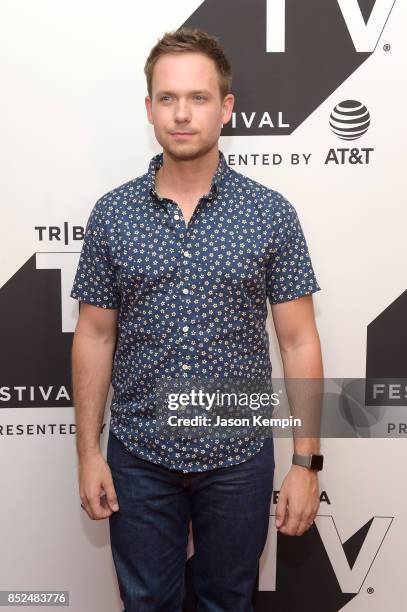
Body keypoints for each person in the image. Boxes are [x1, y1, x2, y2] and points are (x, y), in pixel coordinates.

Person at [70, 27, 324, 612]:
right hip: (138, 456)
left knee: (227, 602)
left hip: (238, 457)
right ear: (149, 108)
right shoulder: (112, 215)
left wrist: (306, 462)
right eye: (168, 98)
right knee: (145, 604)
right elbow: (95, 334)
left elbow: (299, 340)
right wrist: (87, 452)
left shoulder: (270, 214)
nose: (182, 114)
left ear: (226, 107)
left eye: (199, 98)